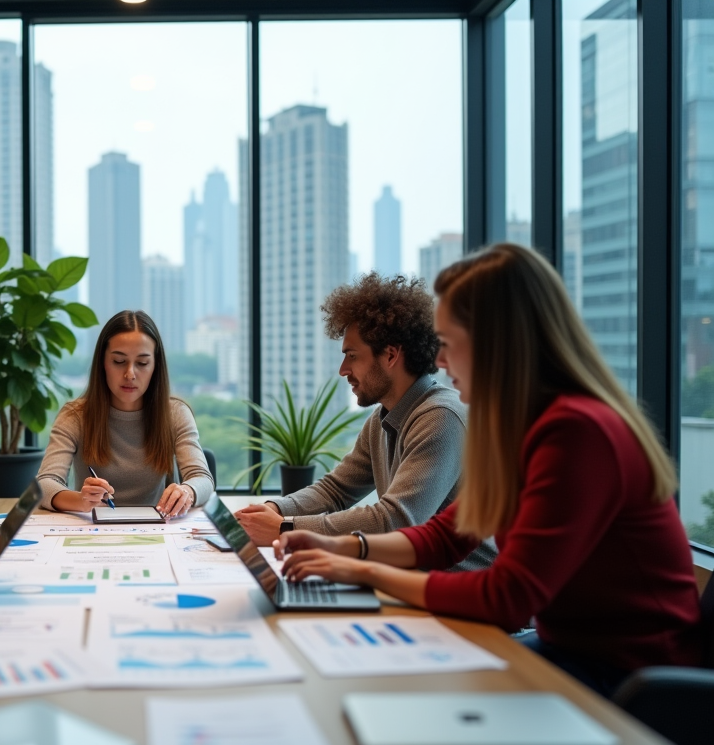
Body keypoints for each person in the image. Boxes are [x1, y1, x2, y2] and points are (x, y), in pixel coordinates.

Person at [274, 243, 702, 696]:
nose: (439, 361)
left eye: (449, 344)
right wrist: (343, 547)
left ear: (496, 344)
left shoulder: (577, 430)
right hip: (571, 651)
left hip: (633, 678)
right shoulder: (519, 426)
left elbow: (508, 598)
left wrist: (363, 570)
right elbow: (447, 534)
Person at [235, 273, 495, 570]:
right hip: (413, 581)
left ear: (391, 355)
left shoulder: (441, 418)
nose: (343, 370)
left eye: (352, 355)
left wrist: (286, 529)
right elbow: (335, 490)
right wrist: (271, 510)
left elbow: (397, 520)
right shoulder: (383, 418)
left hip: (463, 590)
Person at [37, 310, 214, 518]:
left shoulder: (175, 413)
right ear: (103, 363)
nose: (130, 374)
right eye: (119, 361)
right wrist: (80, 500)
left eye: (142, 363)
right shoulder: (75, 416)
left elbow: (202, 478)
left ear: (155, 367)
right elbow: (44, 483)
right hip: (92, 530)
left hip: (159, 529)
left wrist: (187, 491)